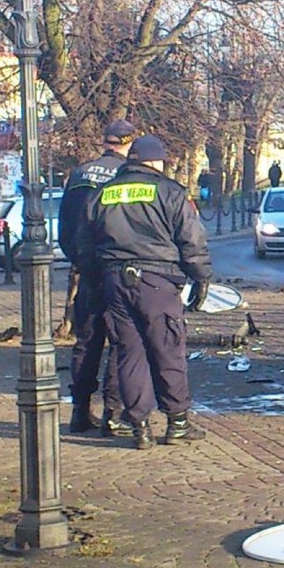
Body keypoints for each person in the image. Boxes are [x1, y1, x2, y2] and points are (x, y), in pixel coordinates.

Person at [77, 135, 213, 450]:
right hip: (158, 281)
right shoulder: (170, 192)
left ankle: (140, 427)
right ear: (155, 162)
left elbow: (84, 243)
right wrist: (201, 278)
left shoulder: (102, 194)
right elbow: (192, 241)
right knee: (167, 348)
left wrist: (96, 278)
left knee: (129, 353)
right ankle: (177, 423)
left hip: (114, 280)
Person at [58, 119, 135, 437]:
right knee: (121, 341)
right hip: (117, 269)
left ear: (105, 142)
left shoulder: (78, 174)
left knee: (87, 341)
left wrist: (79, 260)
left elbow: (64, 226)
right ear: (128, 144)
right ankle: (112, 414)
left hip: (87, 270)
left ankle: (79, 412)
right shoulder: (126, 176)